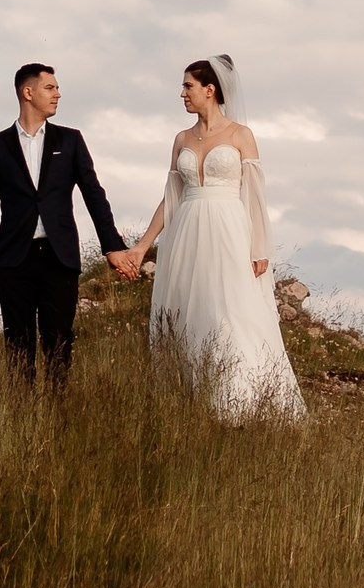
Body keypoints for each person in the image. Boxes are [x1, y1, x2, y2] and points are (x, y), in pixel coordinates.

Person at [124, 55, 306, 421]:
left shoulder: (241, 135)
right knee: (191, 310)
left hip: (228, 230)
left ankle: (240, 403)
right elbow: (171, 197)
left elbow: (255, 195)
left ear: (211, 90)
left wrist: (259, 247)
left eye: (188, 86)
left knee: (230, 310)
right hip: (187, 232)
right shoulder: (181, 139)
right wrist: (143, 246)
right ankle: (191, 401)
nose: (182, 94)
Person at [0, 63, 138, 386]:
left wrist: (113, 246)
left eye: (57, 88)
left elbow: (94, 195)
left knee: (59, 344)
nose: (58, 94)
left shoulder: (71, 140)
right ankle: (23, 426)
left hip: (59, 257)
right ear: (28, 92)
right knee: (18, 347)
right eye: (51, 88)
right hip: (13, 260)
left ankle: (57, 422)